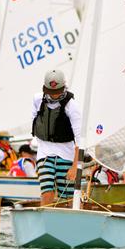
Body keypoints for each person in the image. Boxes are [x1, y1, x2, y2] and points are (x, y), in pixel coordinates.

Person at [31, 69, 81, 204]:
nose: (54, 95)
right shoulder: (37, 99)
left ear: (64, 87)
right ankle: (44, 221)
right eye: (51, 92)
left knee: (67, 198)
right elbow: (35, 121)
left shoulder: (72, 106)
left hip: (66, 156)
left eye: (57, 91)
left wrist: (75, 166)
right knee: (47, 192)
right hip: (44, 154)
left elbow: (79, 139)